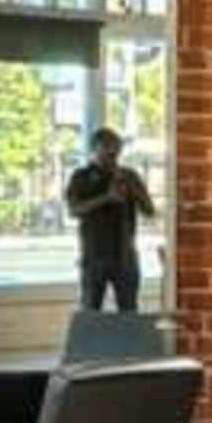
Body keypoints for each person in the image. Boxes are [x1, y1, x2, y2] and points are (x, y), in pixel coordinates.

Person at [64, 127, 154, 318]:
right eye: (107, 150)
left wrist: (134, 189)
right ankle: (90, 348)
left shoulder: (128, 175)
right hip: (94, 256)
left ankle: (129, 348)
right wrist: (106, 197)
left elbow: (149, 211)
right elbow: (73, 210)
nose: (113, 155)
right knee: (90, 312)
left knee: (129, 312)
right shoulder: (81, 176)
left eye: (116, 150)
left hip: (125, 255)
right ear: (94, 149)